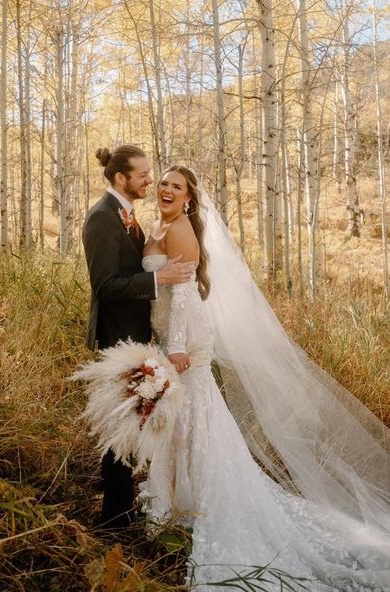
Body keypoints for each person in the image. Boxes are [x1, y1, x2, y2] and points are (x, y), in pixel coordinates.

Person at [140, 165, 390, 591]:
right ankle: (184, 500)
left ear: (189, 198)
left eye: (175, 186)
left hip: (186, 336)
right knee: (185, 413)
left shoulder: (180, 228)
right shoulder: (161, 224)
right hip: (169, 332)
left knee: (194, 411)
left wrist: (176, 345)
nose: (165, 189)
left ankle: (197, 501)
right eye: (162, 183)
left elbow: (182, 293)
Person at [82, 146, 194, 529]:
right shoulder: (101, 219)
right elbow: (105, 286)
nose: (150, 180)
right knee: (122, 428)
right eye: (144, 175)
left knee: (133, 423)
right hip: (118, 337)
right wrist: (158, 279)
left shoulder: (126, 215)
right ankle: (114, 519)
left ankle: (121, 509)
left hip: (139, 334)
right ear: (120, 179)